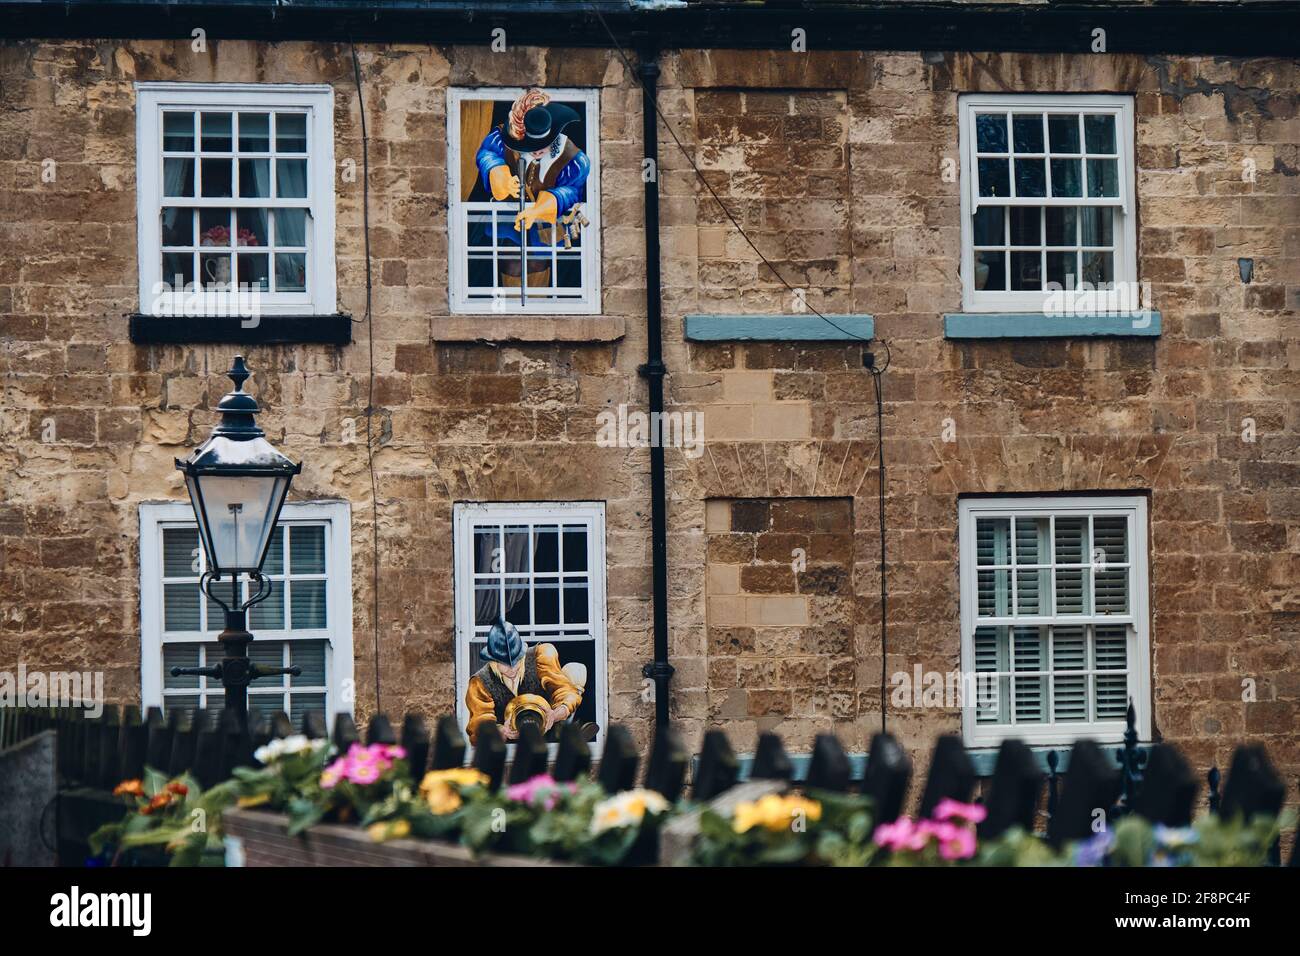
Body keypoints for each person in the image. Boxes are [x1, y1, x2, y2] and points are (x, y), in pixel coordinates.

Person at [475, 88, 591, 288]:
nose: (537, 150)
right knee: (511, 264)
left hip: (546, 227)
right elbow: (487, 155)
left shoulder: (574, 159)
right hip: (508, 224)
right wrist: (499, 175)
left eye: (543, 144)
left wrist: (538, 210)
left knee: (538, 263)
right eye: (530, 144)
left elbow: (571, 192)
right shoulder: (502, 139)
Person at [464, 619, 584, 745]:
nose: (512, 668)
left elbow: (567, 692)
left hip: (549, 743)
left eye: (516, 661)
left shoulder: (541, 656)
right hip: (510, 752)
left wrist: (555, 715)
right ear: (493, 661)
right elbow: (479, 725)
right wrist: (501, 731)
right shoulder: (479, 683)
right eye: (504, 664)